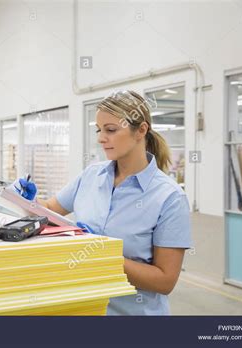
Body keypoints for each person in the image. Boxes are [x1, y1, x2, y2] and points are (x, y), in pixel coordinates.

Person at [13, 90, 192, 315]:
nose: (100, 138)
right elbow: (48, 210)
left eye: (111, 130)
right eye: (99, 130)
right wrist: (28, 202)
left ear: (142, 130)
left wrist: (98, 253)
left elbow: (165, 281)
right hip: (83, 309)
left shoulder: (169, 197)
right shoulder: (91, 176)